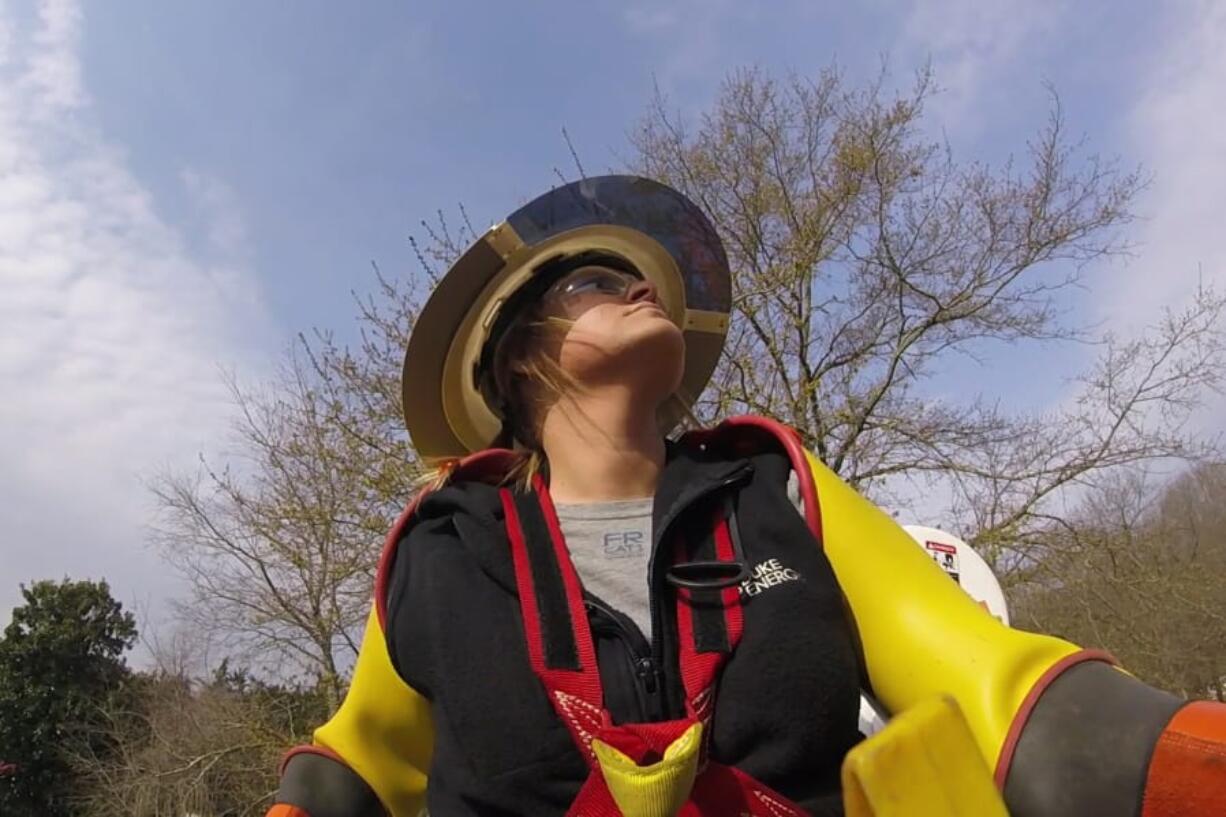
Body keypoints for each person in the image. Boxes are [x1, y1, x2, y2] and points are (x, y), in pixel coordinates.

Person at [265, 176, 1225, 817]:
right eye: (602, 281)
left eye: (646, 278)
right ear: (520, 356)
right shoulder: (435, 548)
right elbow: (356, 765)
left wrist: (1181, 759)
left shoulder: (783, 490)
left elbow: (994, 687)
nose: (646, 288)